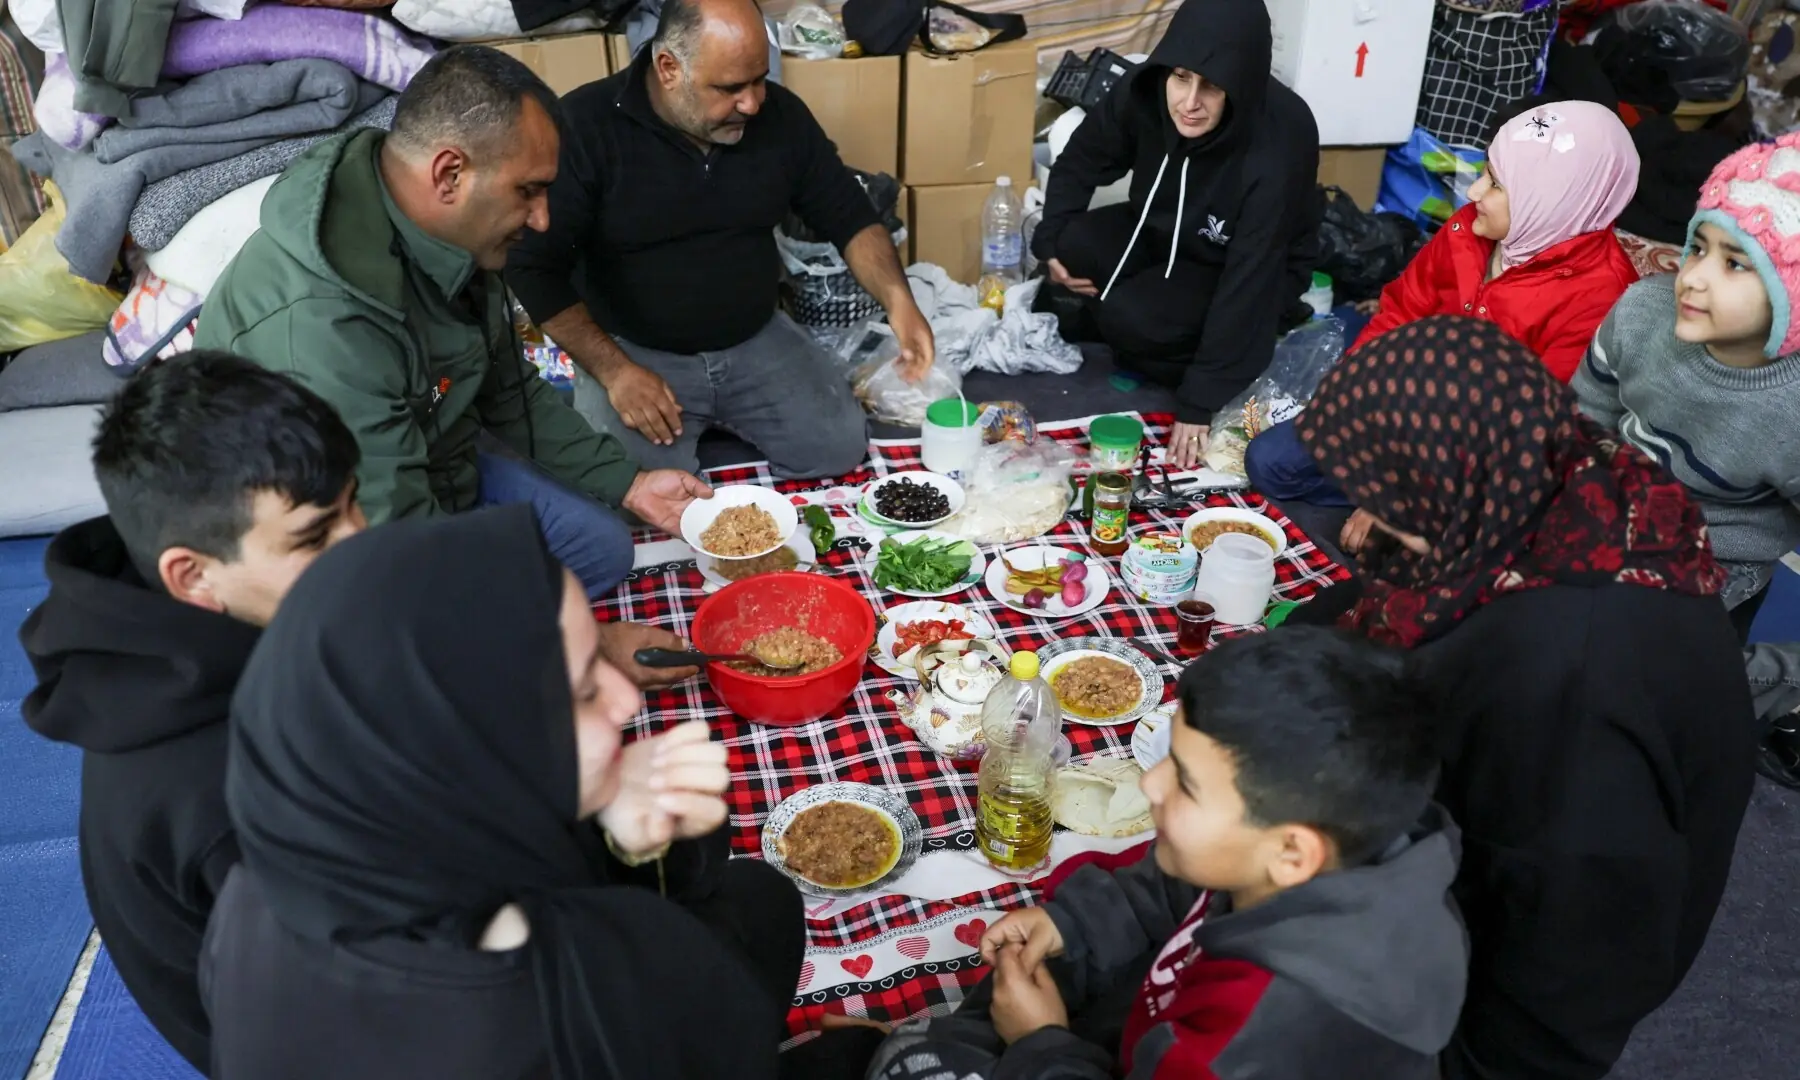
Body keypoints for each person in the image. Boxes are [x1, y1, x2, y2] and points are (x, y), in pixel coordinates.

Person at [1289, 317, 1756, 1079]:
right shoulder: (1551, 486)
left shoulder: (1564, 689)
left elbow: (1567, 972)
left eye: (1385, 489)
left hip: (1524, 971)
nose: (1359, 520)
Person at [202, 505, 804, 1079]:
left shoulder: (271, 871)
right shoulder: (561, 1007)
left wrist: (629, 846)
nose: (626, 700)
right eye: (583, 691)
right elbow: (719, 1035)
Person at [195, 45, 711, 602]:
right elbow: (389, 524)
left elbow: (508, 389)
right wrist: (569, 640)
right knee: (492, 621)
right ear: (449, 174)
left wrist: (630, 484)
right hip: (338, 541)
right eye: (528, 191)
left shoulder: (454, 237)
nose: (541, 219)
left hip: (443, 463)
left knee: (601, 549)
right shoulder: (325, 324)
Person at [862, 628, 1464, 1080]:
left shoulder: (1263, 1035)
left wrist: (1040, 1043)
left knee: (911, 1062)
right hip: (1146, 1022)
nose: (1150, 784)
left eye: (1185, 782)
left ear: (1292, 851)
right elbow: (1175, 886)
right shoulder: (1311, 857)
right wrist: (1065, 921)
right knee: (1039, 962)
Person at [17, 351, 367, 1071]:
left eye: (354, 503)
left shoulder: (169, 633)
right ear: (193, 575)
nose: (360, 541)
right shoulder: (232, 794)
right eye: (314, 536)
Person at [506, 0, 931, 478]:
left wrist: (898, 299)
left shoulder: (780, 117)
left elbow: (849, 215)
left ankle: (722, 413)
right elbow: (531, 266)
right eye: (730, 87)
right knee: (627, 490)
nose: (752, 103)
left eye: (759, 79)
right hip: (634, 349)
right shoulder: (585, 126)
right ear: (669, 68)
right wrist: (614, 372)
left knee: (837, 449)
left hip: (754, 335)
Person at [1246, 100, 1641, 547]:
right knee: (1270, 461)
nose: (1474, 193)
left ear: (1553, 197)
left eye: (1496, 184)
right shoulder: (1472, 227)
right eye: (1486, 172)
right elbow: (1401, 310)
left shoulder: (1598, 300)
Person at [1572, 132, 1800, 788]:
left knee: (1653, 699)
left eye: (1737, 263)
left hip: (1713, 564)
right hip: (1615, 510)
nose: (1694, 275)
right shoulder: (1643, 313)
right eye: (1700, 244)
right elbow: (1587, 411)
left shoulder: (1790, 412)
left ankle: (1769, 683)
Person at [1030, 0, 1321, 470]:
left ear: (1240, 85)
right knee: (1071, 245)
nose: (1189, 102)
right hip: (1166, 229)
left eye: (1211, 87)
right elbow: (1084, 155)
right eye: (1181, 77)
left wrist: (1199, 402)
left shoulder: (1278, 142)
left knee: (1131, 320)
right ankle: (1140, 319)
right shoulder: (1146, 88)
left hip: (1245, 264)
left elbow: (1251, 277)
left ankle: (1194, 348)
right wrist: (1049, 240)